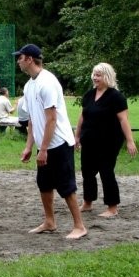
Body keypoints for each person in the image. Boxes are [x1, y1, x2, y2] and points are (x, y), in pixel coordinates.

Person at [15, 44, 87, 240]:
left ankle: (79, 226)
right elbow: (32, 119)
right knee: (44, 184)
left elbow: (52, 119)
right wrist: (30, 146)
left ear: (29, 59)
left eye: (20, 57)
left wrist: (44, 149)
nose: (18, 61)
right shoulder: (30, 85)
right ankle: (49, 222)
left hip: (59, 143)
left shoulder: (47, 82)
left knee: (66, 185)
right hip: (44, 146)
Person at [74, 62, 138, 217]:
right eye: (94, 74)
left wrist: (130, 141)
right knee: (87, 172)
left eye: (99, 75)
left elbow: (124, 120)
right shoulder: (89, 95)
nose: (95, 78)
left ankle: (112, 207)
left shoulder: (116, 97)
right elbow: (83, 116)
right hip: (89, 139)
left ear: (107, 76)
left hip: (108, 141)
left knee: (106, 171)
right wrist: (77, 136)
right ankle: (88, 202)